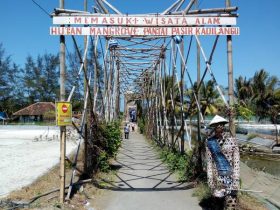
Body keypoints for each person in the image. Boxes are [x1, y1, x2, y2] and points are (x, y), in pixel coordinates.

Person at [206, 115, 240, 210]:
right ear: (214, 126)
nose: (219, 126)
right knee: (217, 204)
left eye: (221, 124)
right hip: (217, 178)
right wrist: (210, 179)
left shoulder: (232, 140)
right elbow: (209, 162)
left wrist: (236, 179)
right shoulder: (210, 142)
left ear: (224, 125)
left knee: (231, 204)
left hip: (231, 177)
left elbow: (236, 162)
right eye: (217, 125)